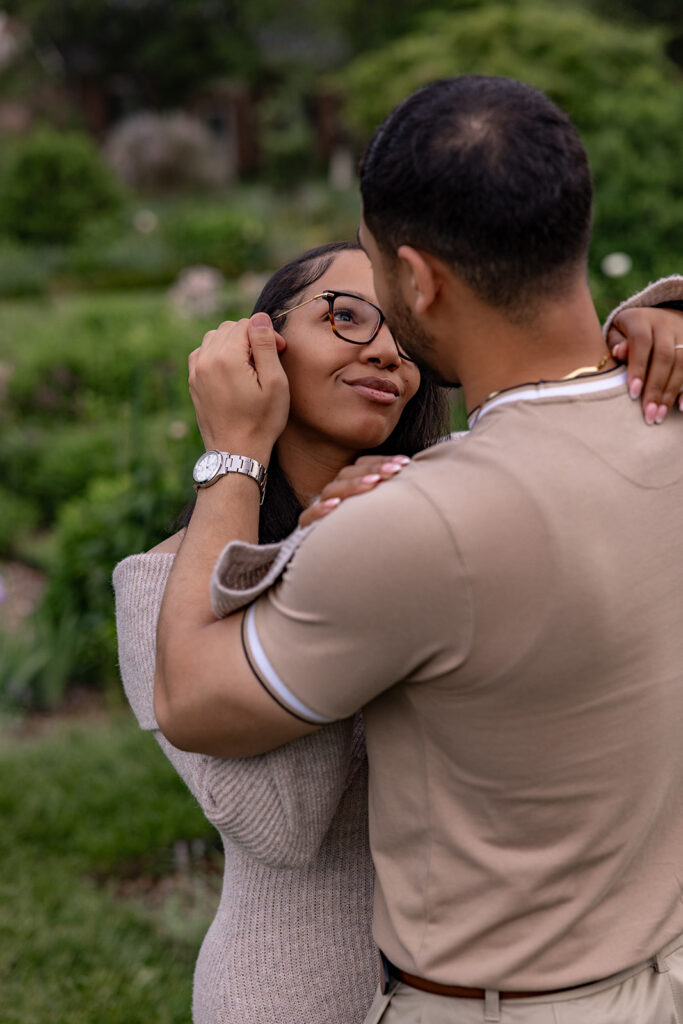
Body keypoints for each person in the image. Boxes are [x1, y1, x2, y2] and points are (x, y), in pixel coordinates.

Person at [152, 75, 683, 1024]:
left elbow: (193, 699)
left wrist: (230, 454)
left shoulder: (415, 522)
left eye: (375, 281)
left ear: (421, 280)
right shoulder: (665, 420)